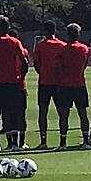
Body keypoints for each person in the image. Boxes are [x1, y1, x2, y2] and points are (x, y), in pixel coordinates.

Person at [0, 16, 29, 152]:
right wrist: (21, 77)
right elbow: (25, 61)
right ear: (8, 28)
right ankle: (13, 143)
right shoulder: (14, 42)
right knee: (12, 112)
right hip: (11, 82)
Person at [53, 23, 91, 150]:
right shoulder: (84, 48)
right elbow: (85, 64)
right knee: (82, 113)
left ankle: (63, 143)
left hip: (65, 85)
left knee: (64, 115)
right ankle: (86, 141)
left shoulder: (62, 50)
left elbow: (58, 68)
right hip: (79, 84)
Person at [33, 20, 65, 149]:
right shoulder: (62, 45)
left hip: (44, 82)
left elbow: (36, 64)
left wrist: (43, 72)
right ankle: (63, 141)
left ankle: (43, 141)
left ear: (45, 31)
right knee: (62, 112)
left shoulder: (40, 46)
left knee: (43, 112)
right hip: (58, 83)